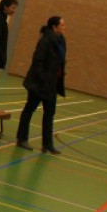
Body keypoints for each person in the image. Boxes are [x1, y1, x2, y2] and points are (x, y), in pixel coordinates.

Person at [16, 16, 67, 155]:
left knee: (49, 113)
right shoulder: (45, 40)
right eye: (62, 25)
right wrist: (44, 78)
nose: (65, 27)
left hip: (52, 84)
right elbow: (38, 62)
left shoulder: (61, 40)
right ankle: (22, 138)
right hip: (38, 84)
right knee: (29, 109)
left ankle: (47, 144)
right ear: (54, 27)